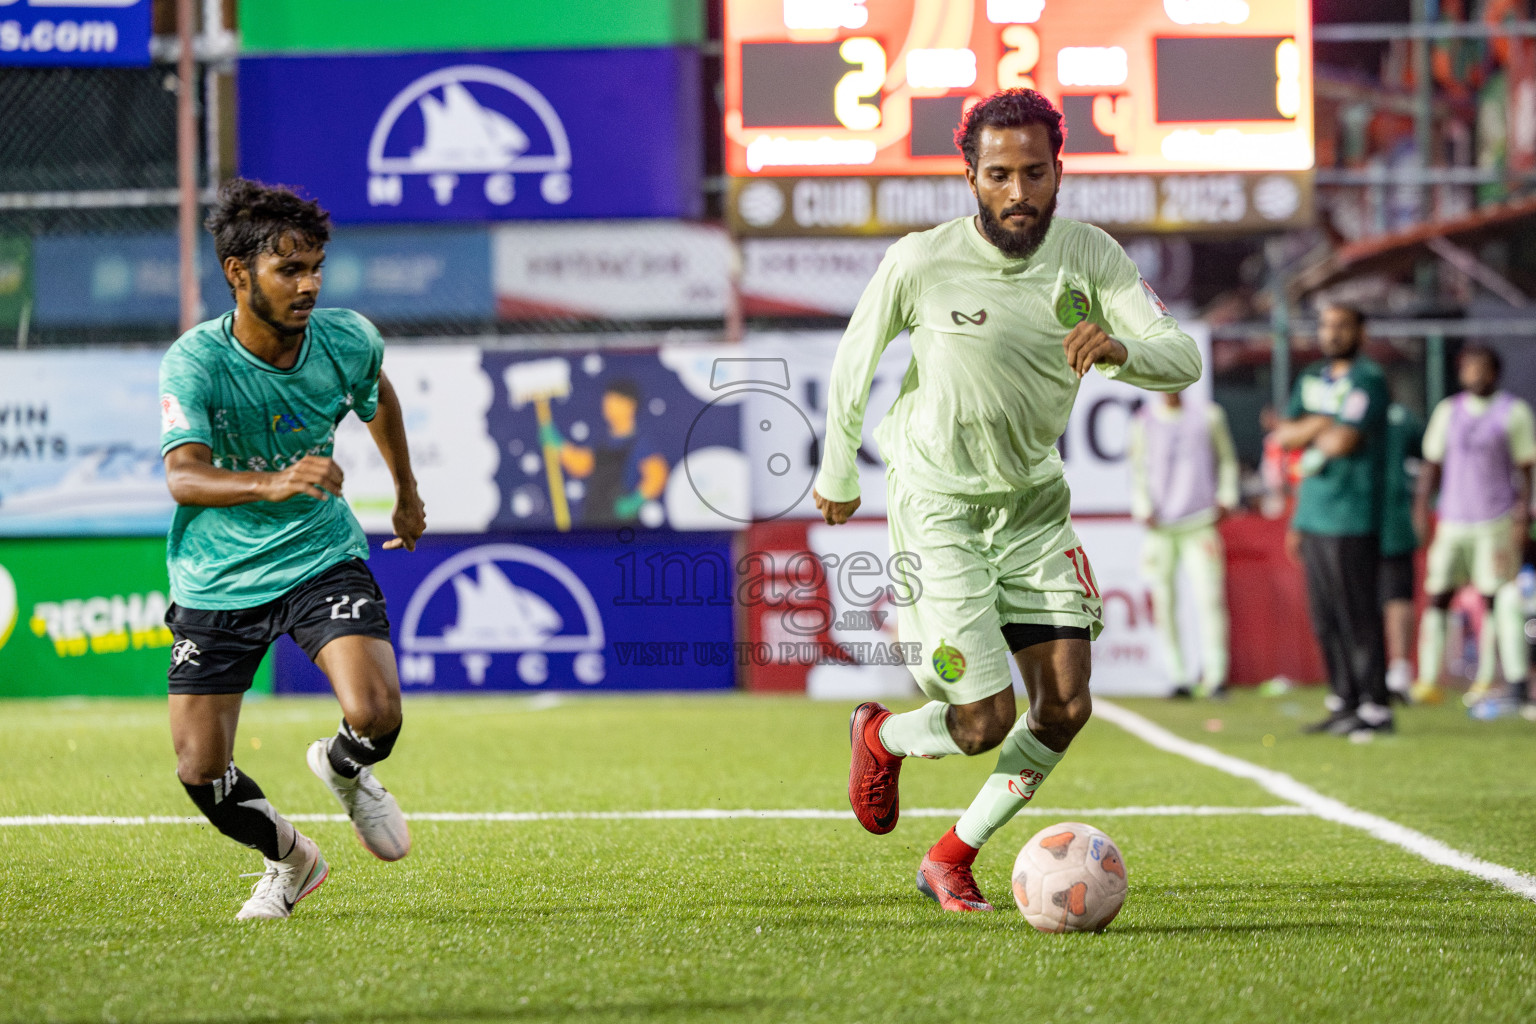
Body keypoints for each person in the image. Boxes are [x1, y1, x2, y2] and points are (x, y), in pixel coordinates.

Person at [814, 90, 1200, 913]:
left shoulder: (1090, 256)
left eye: (1034, 172)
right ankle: (880, 735)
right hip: (938, 505)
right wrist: (837, 468)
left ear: (1060, 170)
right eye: (999, 175)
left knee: (1065, 704)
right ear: (970, 176)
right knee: (982, 720)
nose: (1018, 191)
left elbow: (1181, 357)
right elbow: (855, 360)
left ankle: (951, 855)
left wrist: (1122, 346)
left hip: (1031, 508)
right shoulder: (921, 260)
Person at [159, 179, 427, 920]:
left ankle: (345, 769)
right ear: (239, 275)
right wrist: (274, 482)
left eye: (316, 268)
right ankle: (292, 860)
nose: (309, 284)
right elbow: (183, 476)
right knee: (200, 771)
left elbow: (379, 394)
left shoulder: (346, 339)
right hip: (216, 576)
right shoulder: (196, 362)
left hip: (318, 555)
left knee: (376, 712)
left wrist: (406, 491)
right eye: (290, 270)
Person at [1275, 304, 1394, 741]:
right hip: (1314, 513)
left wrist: (1313, 427)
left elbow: (1344, 441)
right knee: (1325, 616)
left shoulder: (1369, 379)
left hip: (1352, 513)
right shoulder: (1310, 378)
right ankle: (1344, 700)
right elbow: (1283, 435)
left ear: (1360, 330)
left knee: (1357, 612)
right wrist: (1323, 422)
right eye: (1326, 325)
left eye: (1342, 325)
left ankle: (1375, 704)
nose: (1332, 333)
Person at [1410, 344, 1535, 708]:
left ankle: (1493, 679)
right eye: (1467, 368)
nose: (1472, 374)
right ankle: (1428, 680)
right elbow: (1431, 465)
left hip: (1494, 520)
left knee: (1497, 599)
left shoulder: (1514, 412)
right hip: (1452, 519)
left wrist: (1521, 517)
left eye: (1479, 368)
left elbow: (1527, 469)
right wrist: (1422, 510)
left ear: (1493, 373)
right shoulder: (1449, 411)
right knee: (1438, 595)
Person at [1127, 390, 1239, 698]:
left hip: (1200, 522)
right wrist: (1142, 506)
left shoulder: (1208, 415)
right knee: (1164, 601)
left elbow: (1227, 459)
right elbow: (1137, 469)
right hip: (1161, 528)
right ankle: (1177, 675)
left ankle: (1216, 676)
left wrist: (1227, 495)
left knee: (1209, 598)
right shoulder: (1144, 421)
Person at [553, 379, 669, 524]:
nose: (607, 407)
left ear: (630, 405)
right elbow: (582, 465)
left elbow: (657, 474)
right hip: (593, 518)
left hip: (623, 524)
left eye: (613, 402)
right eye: (606, 403)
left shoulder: (640, 444)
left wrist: (636, 500)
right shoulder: (603, 442)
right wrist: (559, 445)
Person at [1380, 399, 1424, 701]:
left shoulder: (1403, 420)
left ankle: (1398, 672)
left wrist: (1420, 506)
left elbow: (1431, 460)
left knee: (1397, 594)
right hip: (1350, 519)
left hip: (1394, 519)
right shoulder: (1333, 412)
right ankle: (1364, 673)